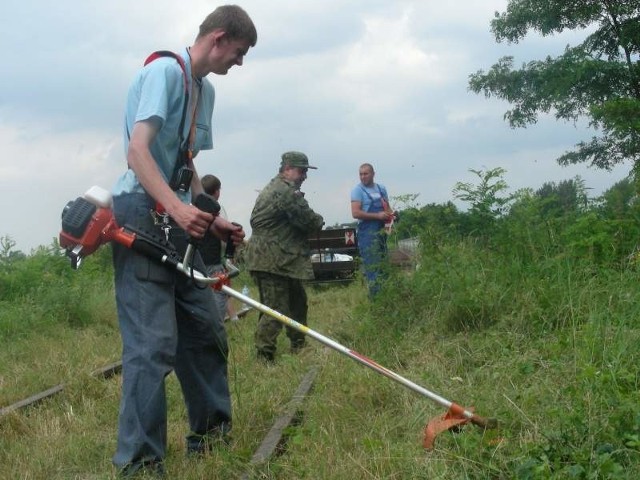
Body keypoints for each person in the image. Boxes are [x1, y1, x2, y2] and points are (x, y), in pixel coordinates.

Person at [109, 6, 256, 476]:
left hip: (175, 220)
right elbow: (138, 151)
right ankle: (141, 462)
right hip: (139, 214)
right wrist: (175, 207)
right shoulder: (163, 72)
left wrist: (208, 218)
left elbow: (183, 159)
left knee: (204, 328)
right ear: (217, 39)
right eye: (238, 53)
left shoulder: (202, 90)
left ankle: (210, 437)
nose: (238, 64)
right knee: (152, 345)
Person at [244, 151, 324, 363]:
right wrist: (319, 220)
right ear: (287, 168)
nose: (305, 175)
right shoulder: (285, 191)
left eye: (306, 171)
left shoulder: (278, 187)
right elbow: (308, 220)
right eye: (302, 170)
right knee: (275, 309)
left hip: (281, 259)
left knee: (298, 302)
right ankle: (264, 355)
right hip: (271, 260)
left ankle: (298, 344)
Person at [350, 163, 396, 298]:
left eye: (366, 173)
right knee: (373, 269)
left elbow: (387, 209)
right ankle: (376, 303)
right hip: (367, 234)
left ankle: (387, 299)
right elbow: (355, 213)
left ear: (373, 174)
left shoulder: (381, 189)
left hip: (381, 232)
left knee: (384, 267)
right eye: (360, 174)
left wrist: (392, 215)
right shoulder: (357, 190)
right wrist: (377, 216)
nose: (363, 177)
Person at [201, 173, 239, 322]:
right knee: (221, 290)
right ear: (217, 191)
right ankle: (217, 325)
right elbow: (225, 236)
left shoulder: (194, 206)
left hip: (196, 260)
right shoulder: (217, 209)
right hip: (213, 259)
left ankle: (231, 318)